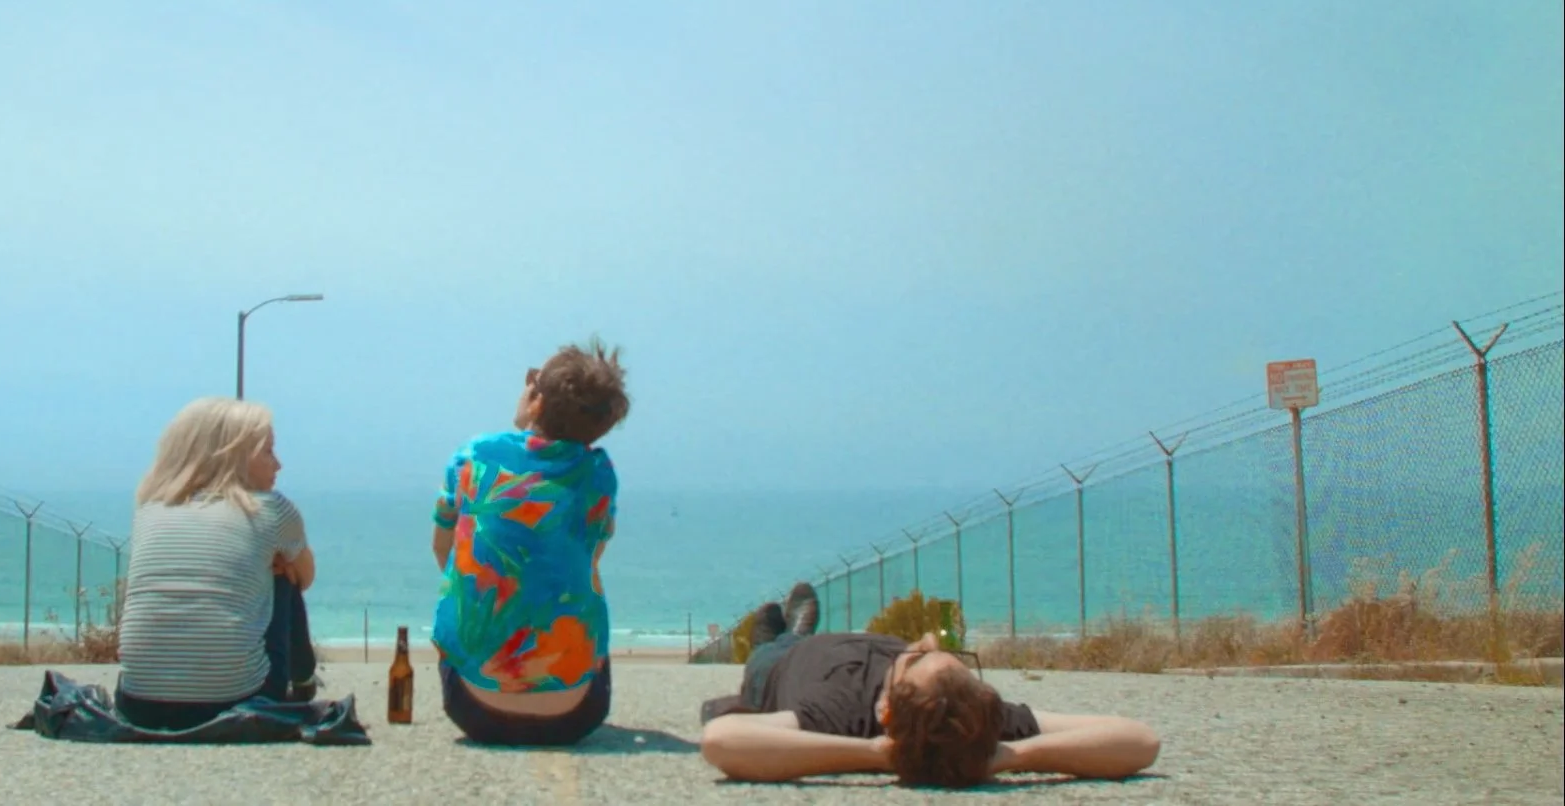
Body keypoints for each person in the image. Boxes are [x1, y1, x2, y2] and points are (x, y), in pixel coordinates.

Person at [699, 583, 1162, 788]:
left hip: (785, 666)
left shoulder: (839, 714)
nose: (925, 641)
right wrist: (1013, 755)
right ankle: (796, 630)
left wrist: (879, 754)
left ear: (886, 711)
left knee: (767, 652)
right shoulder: (973, 718)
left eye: (916, 658)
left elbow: (723, 740)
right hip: (853, 644)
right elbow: (1140, 740)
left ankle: (781, 636)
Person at [429, 338, 631, 746]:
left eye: (532, 380)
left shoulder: (475, 456)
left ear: (538, 401)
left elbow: (442, 550)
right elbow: (590, 557)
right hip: (576, 715)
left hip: (472, 707)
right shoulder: (599, 473)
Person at [114, 397, 320, 731]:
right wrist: (276, 564)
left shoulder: (150, 509)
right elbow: (305, 577)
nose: (278, 464)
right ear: (233, 455)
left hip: (139, 704)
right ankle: (304, 682)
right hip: (239, 699)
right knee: (284, 576)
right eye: (268, 451)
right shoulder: (271, 508)